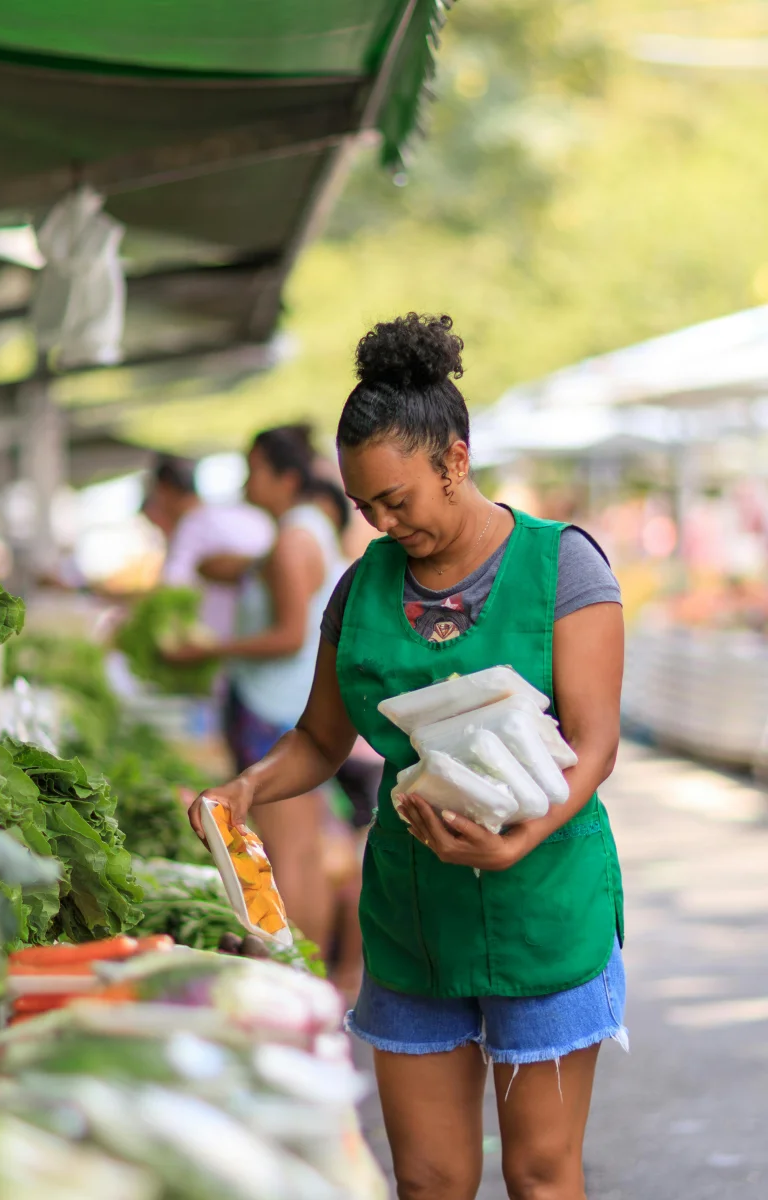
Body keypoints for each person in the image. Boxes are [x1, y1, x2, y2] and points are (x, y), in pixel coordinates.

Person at [189, 313, 626, 1200]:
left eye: (399, 500)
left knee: (541, 1174)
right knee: (428, 1180)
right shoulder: (361, 586)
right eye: (364, 507)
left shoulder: (563, 568)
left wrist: (516, 840)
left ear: (453, 462)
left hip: (542, 903)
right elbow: (321, 737)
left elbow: (595, 743)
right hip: (412, 918)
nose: (385, 522)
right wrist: (248, 784)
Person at [169, 426, 345, 950]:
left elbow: (290, 635)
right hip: (292, 705)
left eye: (254, 470)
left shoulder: (292, 540)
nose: (246, 483)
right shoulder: (304, 531)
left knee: (287, 854)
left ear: (285, 477)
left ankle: (300, 975)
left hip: (275, 712)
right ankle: (314, 979)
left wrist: (210, 650)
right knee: (304, 849)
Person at [146, 454, 274, 640]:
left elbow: (170, 588)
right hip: (261, 639)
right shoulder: (252, 517)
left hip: (223, 647)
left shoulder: (192, 526)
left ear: (164, 491)